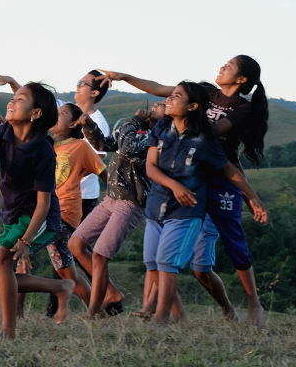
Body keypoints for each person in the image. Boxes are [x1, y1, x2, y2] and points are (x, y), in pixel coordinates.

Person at [100, 55, 270, 323]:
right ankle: (166, 310)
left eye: (229, 66)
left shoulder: (242, 108)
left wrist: (171, 117)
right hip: (189, 177)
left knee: (229, 243)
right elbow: (158, 88)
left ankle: (253, 301)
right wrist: (124, 77)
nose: (221, 66)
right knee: (179, 256)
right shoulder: (204, 91)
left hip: (220, 176)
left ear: (241, 79)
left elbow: (211, 132)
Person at [141, 82, 266, 325]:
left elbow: (229, 169)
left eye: (176, 96)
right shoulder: (161, 129)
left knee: (168, 262)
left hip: (186, 210)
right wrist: (175, 185)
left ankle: (161, 319)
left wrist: (253, 197)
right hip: (157, 206)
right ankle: (170, 315)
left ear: (193, 106)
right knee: (152, 261)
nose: (169, 98)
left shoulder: (204, 138)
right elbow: (150, 167)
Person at [0, 82, 76, 339]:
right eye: (13, 97)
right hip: (13, 215)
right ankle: (60, 286)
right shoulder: (2, 131)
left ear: (35, 113)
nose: (11, 102)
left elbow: (44, 203)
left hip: (38, 216)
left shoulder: (43, 150)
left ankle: (8, 330)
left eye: (20, 98)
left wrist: (26, 240)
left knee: (2, 260)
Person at [0, 75, 106, 317]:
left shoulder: (81, 147)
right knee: (64, 269)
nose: (56, 117)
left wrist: (117, 196)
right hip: (46, 213)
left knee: (16, 254)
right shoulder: (47, 144)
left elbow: (104, 173)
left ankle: (17, 313)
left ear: (74, 125)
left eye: (62, 115)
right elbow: (25, 117)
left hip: (62, 215)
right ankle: (97, 313)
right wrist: (7, 128)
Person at [71, 103, 163, 318]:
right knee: (75, 244)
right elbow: (105, 144)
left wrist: (134, 120)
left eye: (165, 104)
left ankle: (93, 312)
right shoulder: (138, 130)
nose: (158, 104)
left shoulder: (161, 136)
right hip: (110, 199)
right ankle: (110, 292)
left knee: (101, 256)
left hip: (130, 204)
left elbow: (131, 148)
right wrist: (90, 127)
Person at [73, 70, 111, 220]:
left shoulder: (98, 124)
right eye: (78, 81)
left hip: (82, 194)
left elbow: (96, 162)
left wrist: (67, 178)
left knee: (73, 240)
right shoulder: (68, 111)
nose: (78, 85)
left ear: (94, 93)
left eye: (83, 83)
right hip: (60, 190)